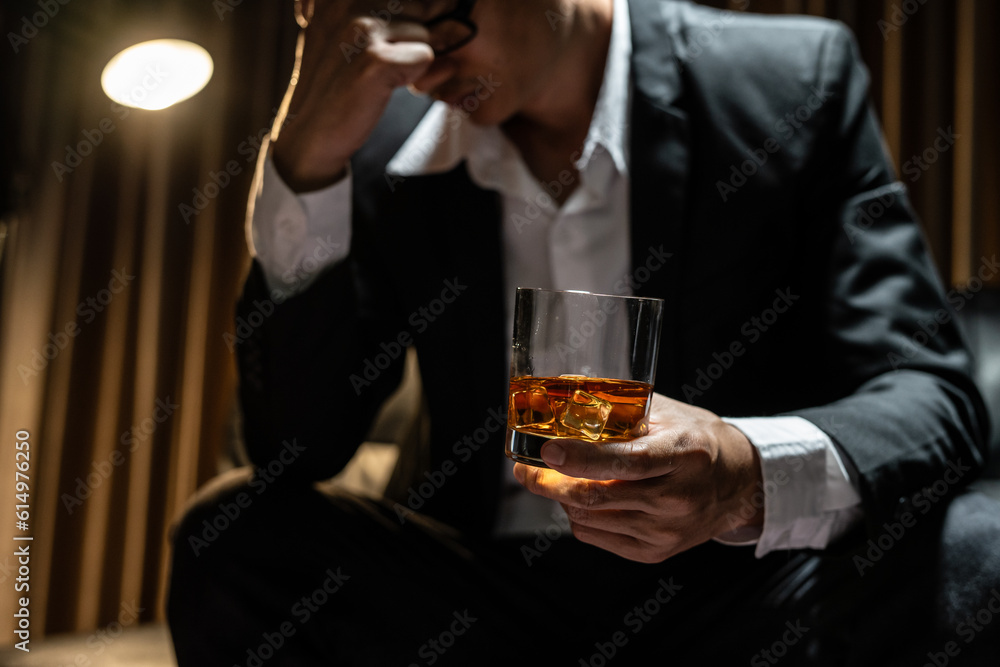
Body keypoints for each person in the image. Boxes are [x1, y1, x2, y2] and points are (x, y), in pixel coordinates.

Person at [168, 0, 1000, 664]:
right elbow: (291, 452)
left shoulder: (785, 79)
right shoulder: (380, 135)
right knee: (232, 539)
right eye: (382, 22)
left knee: (981, 546)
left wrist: (743, 474)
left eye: (438, 13)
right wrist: (305, 166)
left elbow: (934, 395)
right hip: (486, 602)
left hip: (742, 593)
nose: (421, 66)